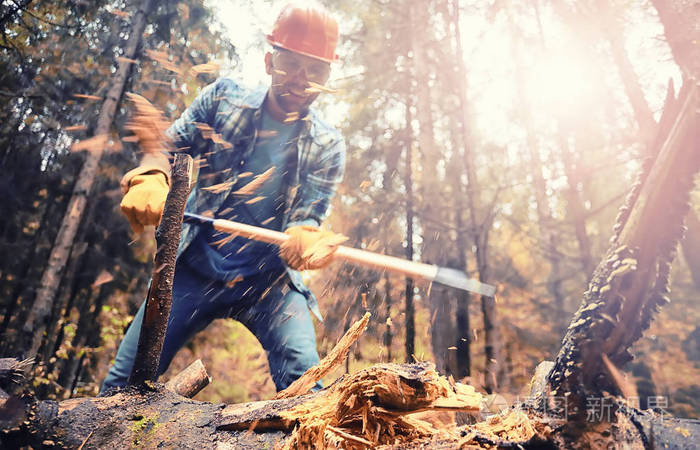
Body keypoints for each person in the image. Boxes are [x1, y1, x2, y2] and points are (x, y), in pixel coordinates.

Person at [102, 3, 346, 392]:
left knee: (307, 386)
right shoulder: (222, 100)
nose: (302, 79)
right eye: (291, 64)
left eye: (315, 70)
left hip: (268, 281)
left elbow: (309, 216)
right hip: (193, 269)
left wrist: (307, 237)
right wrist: (150, 175)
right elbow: (168, 148)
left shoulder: (328, 145)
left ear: (328, 77)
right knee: (124, 384)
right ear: (269, 61)